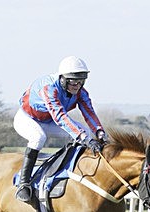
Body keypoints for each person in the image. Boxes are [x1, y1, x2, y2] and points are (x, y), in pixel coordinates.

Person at [13, 55, 108, 202]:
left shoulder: (81, 92)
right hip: (27, 119)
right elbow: (60, 117)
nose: (77, 85)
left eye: (81, 81)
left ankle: (72, 172)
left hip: (48, 121)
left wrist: (99, 132)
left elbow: (89, 112)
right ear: (62, 79)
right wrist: (85, 139)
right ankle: (23, 183)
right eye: (73, 81)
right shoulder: (49, 88)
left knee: (86, 131)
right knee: (39, 138)